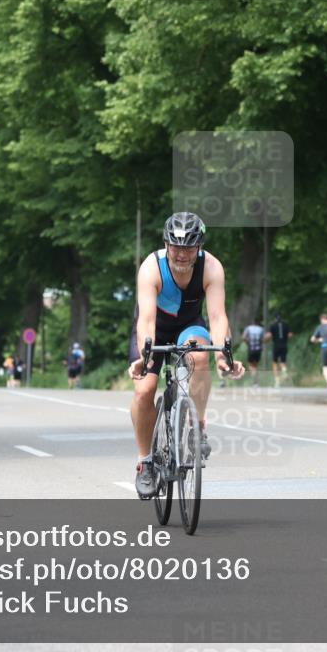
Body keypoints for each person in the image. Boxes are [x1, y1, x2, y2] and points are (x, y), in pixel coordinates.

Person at [127, 212, 244, 498]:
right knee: (145, 390)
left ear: (199, 246)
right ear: (166, 244)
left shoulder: (211, 267)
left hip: (189, 327)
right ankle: (145, 463)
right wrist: (145, 354)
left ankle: (197, 427)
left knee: (201, 357)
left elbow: (217, 317)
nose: (181, 254)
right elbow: (146, 320)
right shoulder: (151, 268)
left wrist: (222, 356)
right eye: (175, 246)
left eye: (189, 247)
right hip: (155, 327)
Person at [268, 312, 293, 387]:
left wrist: (264, 340)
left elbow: (269, 335)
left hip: (276, 345)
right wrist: (285, 339)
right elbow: (290, 335)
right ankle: (284, 372)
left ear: (275, 318)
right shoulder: (286, 325)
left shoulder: (272, 325)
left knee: (275, 363)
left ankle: (277, 381)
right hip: (284, 345)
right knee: (283, 361)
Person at [242, 319, 265, 386]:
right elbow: (264, 338)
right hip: (258, 350)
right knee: (256, 365)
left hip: (251, 349)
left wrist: (248, 342)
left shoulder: (248, 328)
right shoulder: (261, 329)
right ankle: (256, 381)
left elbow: (243, 337)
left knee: (251, 365)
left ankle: (254, 380)